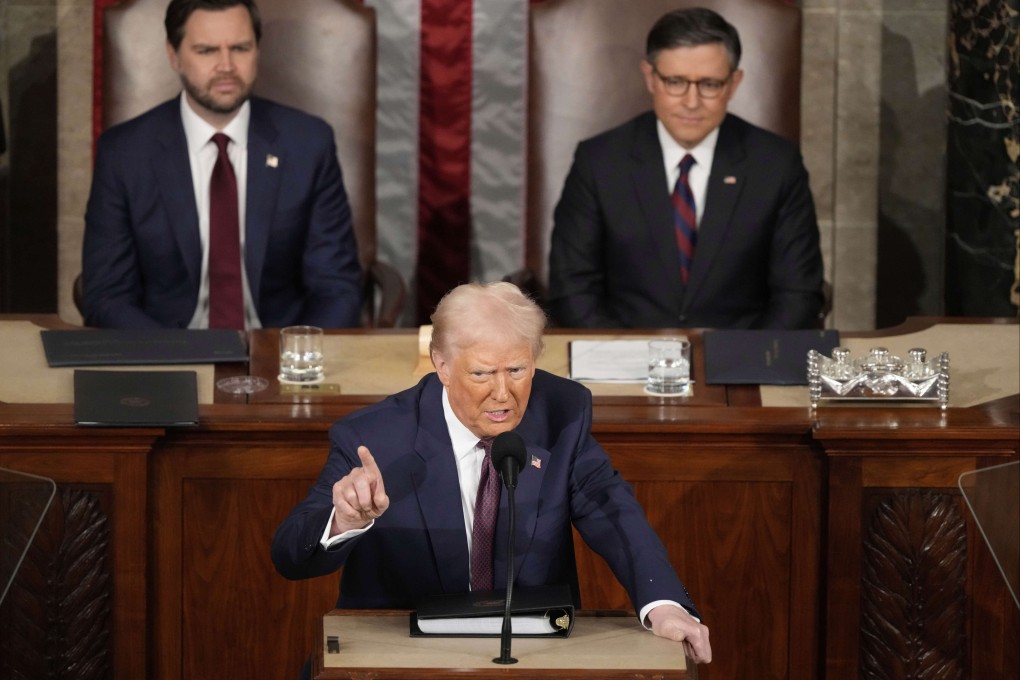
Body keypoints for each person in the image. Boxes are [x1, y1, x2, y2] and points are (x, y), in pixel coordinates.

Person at [271, 281, 712, 664]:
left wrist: (665, 603)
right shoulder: (375, 438)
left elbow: (611, 509)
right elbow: (291, 556)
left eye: (518, 370)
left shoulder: (563, 413)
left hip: (528, 650)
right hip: (401, 652)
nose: (503, 394)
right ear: (441, 365)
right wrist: (344, 521)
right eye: (482, 373)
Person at [81, 0, 362, 329]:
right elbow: (107, 296)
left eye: (240, 48)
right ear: (174, 56)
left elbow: (336, 288)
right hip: (167, 354)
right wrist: (170, 359)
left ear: (257, 50)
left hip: (279, 356)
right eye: (206, 51)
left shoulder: (308, 144)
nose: (226, 65)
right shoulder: (125, 153)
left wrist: (294, 360)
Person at [547, 7, 824, 330]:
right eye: (675, 82)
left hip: (739, 363)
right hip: (621, 361)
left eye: (709, 84)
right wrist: (620, 361)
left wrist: (750, 361)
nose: (691, 102)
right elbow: (572, 288)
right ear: (650, 77)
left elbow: (798, 293)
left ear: (734, 84)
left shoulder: (776, 164)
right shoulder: (599, 161)